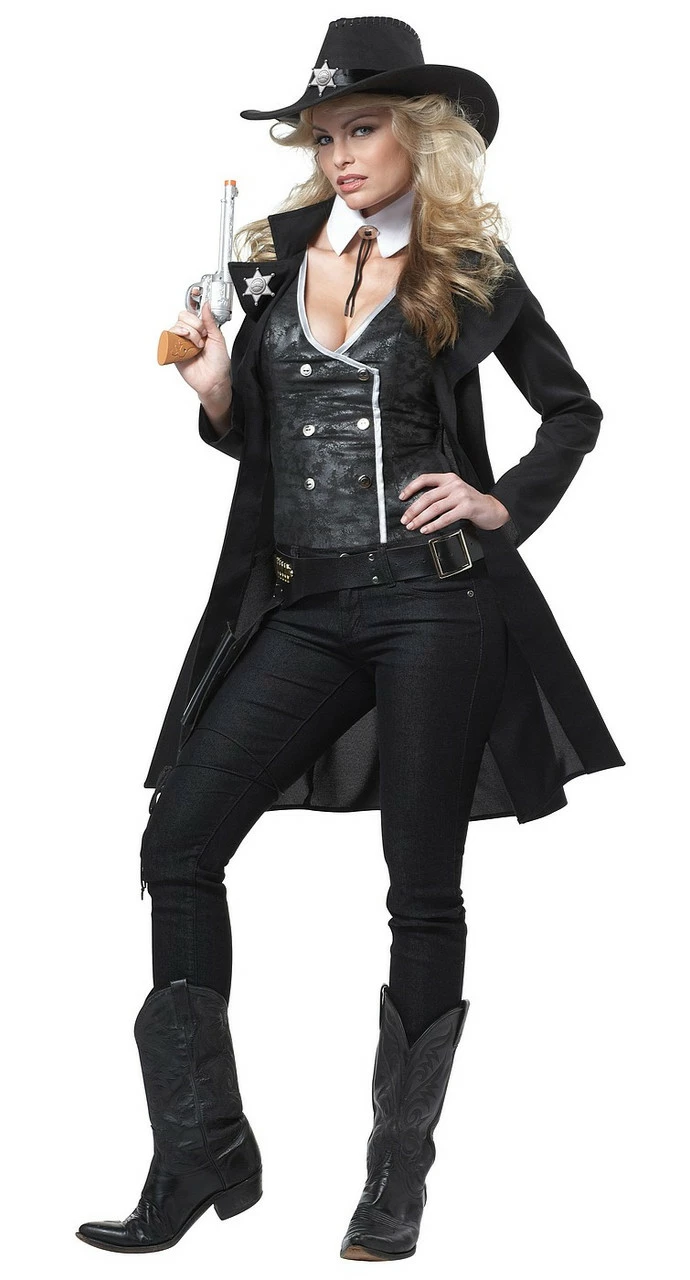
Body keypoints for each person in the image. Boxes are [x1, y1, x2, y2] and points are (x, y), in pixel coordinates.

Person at [76, 15, 625, 1262]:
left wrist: (499, 502)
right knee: (179, 841)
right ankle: (202, 1146)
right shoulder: (270, 260)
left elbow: (573, 410)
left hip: (437, 603)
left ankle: (395, 1176)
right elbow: (265, 436)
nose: (340, 155)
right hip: (304, 606)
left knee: (420, 889)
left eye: (362, 128)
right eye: (323, 136)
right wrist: (219, 392)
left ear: (419, 136)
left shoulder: (468, 266)